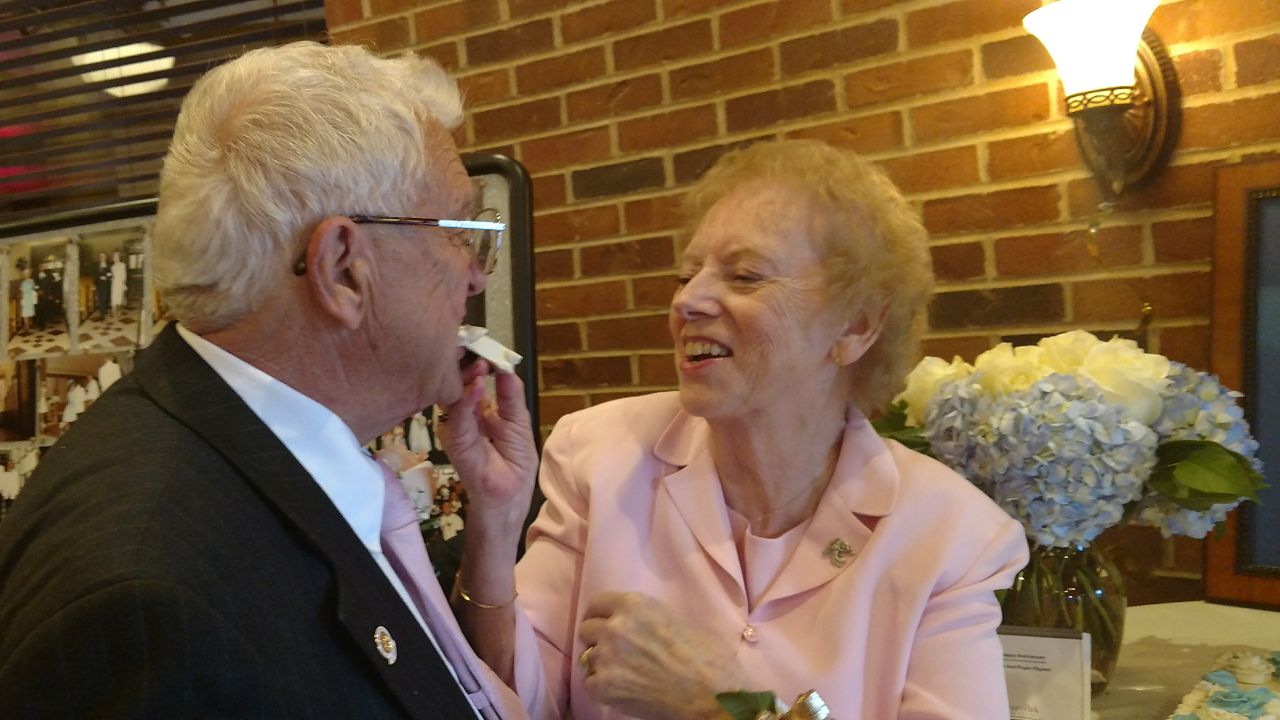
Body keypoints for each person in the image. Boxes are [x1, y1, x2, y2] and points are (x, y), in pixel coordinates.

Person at [0, 41, 537, 720]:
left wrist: (494, 527)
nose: (478, 274)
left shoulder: (243, 457)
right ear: (342, 270)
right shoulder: (150, 602)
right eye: (458, 232)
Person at [448, 139, 1030, 719]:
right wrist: (495, 524)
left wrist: (723, 706)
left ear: (855, 326)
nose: (688, 300)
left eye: (746, 276)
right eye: (685, 275)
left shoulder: (950, 534)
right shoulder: (599, 454)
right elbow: (505, 702)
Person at [94, 251, 112, 320]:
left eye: (103, 256)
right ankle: (102, 314)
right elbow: (95, 276)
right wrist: (95, 284)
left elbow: (110, 275)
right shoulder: (96, 266)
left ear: (105, 257)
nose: (102, 257)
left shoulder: (108, 265)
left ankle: (103, 311)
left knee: (105, 299)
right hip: (99, 285)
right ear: (99, 257)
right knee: (101, 299)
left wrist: (106, 277)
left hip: (106, 285)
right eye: (101, 256)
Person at [109, 250, 127, 317]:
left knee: (120, 298)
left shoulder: (123, 265)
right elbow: (111, 276)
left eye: (117, 256)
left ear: (119, 257)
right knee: (113, 297)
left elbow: (124, 275)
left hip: (120, 283)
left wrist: (124, 284)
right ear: (113, 258)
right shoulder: (112, 267)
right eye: (114, 257)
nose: (115, 258)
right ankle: (113, 311)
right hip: (114, 283)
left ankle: (119, 310)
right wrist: (110, 277)